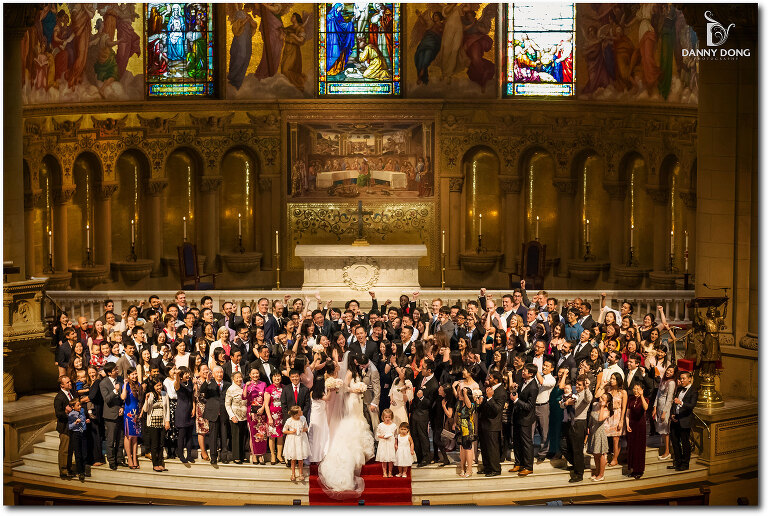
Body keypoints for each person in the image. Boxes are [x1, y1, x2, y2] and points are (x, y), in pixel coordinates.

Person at [318, 353, 375, 498]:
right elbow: (344, 388)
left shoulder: (356, 371)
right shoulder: (349, 373)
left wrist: (360, 389)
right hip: (351, 400)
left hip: (358, 400)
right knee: (352, 422)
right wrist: (356, 389)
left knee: (360, 421)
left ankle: (363, 450)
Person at [510, 364, 539, 476]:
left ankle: (528, 466)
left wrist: (517, 400)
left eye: (525, 371)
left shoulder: (533, 387)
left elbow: (530, 406)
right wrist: (514, 391)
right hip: (518, 416)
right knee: (517, 441)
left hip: (526, 418)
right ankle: (519, 463)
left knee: (526, 442)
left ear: (531, 374)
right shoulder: (523, 382)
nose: (523, 372)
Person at [564, 374, 593, 482]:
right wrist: (566, 403)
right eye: (576, 384)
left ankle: (579, 474)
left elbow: (589, 398)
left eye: (579, 385)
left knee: (577, 450)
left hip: (580, 423)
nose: (577, 386)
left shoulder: (586, 393)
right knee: (566, 446)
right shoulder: (574, 393)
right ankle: (577, 465)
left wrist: (586, 387)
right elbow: (562, 404)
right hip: (570, 422)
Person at [668, 370, 698, 472]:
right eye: (680, 378)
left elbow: (691, 405)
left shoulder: (693, 390)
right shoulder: (679, 389)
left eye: (683, 378)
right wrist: (672, 413)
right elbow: (673, 403)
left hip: (684, 420)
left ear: (689, 379)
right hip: (675, 418)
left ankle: (685, 463)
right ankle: (678, 462)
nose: (681, 380)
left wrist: (681, 402)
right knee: (675, 442)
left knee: (685, 442)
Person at [478, 370, 506, 477]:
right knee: (485, 447)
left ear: (496, 380)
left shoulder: (501, 391)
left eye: (490, 378)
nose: (488, 379)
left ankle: (495, 469)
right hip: (484, 422)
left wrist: (489, 398)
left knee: (492, 448)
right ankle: (487, 467)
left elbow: (497, 409)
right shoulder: (490, 389)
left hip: (493, 424)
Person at [411, 359, 438, 467]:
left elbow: (430, 404)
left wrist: (421, 397)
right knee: (415, 435)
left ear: (429, 370)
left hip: (424, 413)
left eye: (424, 368)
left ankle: (426, 458)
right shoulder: (421, 377)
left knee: (422, 435)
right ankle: (419, 457)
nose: (421, 369)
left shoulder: (434, 384)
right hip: (415, 410)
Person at [203, 365, 231, 465]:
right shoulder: (209, 383)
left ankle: (224, 456)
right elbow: (202, 391)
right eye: (217, 372)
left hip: (224, 413)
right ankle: (213, 457)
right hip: (213, 413)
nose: (219, 374)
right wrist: (207, 381)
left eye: (221, 372)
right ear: (213, 374)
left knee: (224, 436)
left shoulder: (228, 384)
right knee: (213, 436)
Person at [141, 378, 169, 472]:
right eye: (157, 386)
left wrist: (167, 421)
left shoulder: (165, 394)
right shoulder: (150, 395)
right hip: (152, 422)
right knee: (154, 444)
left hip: (162, 421)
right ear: (153, 387)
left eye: (160, 385)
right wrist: (146, 399)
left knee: (161, 444)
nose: (159, 387)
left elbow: (167, 409)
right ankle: (155, 464)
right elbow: (145, 410)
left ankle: (161, 463)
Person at [243, 368, 268, 464]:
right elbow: (244, 397)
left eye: (257, 373)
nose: (255, 375)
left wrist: (263, 408)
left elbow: (266, 398)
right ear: (250, 375)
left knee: (262, 433)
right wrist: (246, 386)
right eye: (253, 373)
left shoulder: (263, 384)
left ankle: (261, 455)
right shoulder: (247, 385)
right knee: (252, 434)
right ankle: (253, 454)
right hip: (251, 412)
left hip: (261, 411)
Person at [625, 383, 649, 479]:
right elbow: (627, 413)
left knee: (639, 448)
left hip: (640, 425)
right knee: (631, 447)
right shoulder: (630, 399)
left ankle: (639, 470)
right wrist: (627, 425)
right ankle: (633, 469)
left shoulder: (645, 399)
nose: (635, 390)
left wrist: (642, 395)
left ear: (641, 390)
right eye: (634, 389)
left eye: (637, 389)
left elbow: (645, 407)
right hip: (632, 425)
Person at [120, 367, 142, 469]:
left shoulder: (139, 385)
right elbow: (123, 397)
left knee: (135, 437)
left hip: (136, 414)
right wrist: (124, 385)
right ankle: (129, 458)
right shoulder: (127, 385)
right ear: (128, 375)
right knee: (128, 436)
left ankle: (134, 458)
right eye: (132, 374)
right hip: (128, 414)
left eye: (135, 374)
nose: (134, 376)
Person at [653, 365, 676, 460]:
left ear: (674, 373)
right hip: (659, 406)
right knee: (661, 430)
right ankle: (664, 449)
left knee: (665, 430)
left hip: (665, 408)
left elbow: (670, 399)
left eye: (671, 371)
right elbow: (658, 394)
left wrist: (665, 412)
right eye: (668, 370)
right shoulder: (663, 379)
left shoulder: (671, 383)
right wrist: (654, 407)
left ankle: (667, 451)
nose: (668, 372)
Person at [587, 392, 612, 482]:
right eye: (601, 398)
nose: (601, 400)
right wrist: (588, 427)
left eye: (603, 399)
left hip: (600, 434)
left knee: (600, 455)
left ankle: (601, 474)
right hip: (593, 432)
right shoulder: (594, 404)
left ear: (607, 402)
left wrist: (602, 407)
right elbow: (591, 417)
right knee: (595, 454)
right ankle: (597, 472)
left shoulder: (607, 411)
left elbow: (600, 419)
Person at [54, 376, 75, 479]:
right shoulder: (59, 397)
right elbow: (58, 414)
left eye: (70, 381)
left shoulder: (72, 393)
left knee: (70, 449)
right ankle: (63, 471)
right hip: (64, 427)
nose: (70, 383)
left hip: (73, 426)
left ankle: (69, 468)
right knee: (64, 450)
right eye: (67, 383)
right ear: (62, 385)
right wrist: (66, 412)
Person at [226, 371, 249, 464]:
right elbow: (227, 404)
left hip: (245, 416)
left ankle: (242, 456)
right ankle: (236, 457)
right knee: (236, 437)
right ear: (233, 379)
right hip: (235, 416)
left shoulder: (244, 387)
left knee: (243, 437)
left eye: (240, 377)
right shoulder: (231, 389)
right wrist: (232, 416)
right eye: (237, 378)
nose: (239, 379)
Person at [283, 405, 310, 482]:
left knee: (300, 458)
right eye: (300, 411)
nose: (302, 412)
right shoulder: (289, 420)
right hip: (292, 440)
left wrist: (302, 429)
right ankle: (293, 473)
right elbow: (284, 430)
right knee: (293, 458)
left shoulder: (303, 419)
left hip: (301, 440)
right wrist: (292, 431)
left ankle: (301, 473)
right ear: (295, 414)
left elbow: (306, 428)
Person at [173, 367, 195, 463]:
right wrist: (177, 375)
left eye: (188, 373)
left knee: (190, 435)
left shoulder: (189, 382)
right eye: (185, 373)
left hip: (190, 410)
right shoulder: (178, 384)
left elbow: (192, 396)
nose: (187, 375)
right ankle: (181, 455)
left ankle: (189, 455)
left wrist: (193, 408)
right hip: (181, 411)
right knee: (182, 435)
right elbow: (177, 383)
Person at [308, 373, 331, 463]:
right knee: (321, 433)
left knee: (315, 434)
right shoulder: (320, 393)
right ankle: (319, 454)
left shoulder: (312, 392)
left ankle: (314, 454)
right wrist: (329, 389)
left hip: (315, 415)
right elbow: (328, 398)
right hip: (320, 415)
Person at [264, 370, 285, 464]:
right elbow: (266, 405)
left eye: (278, 376)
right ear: (272, 378)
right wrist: (269, 417)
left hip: (282, 415)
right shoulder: (268, 389)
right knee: (272, 436)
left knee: (280, 435)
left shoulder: (284, 387)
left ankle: (279, 455)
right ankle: (273, 454)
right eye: (275, 376)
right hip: (272, 415)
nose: (277, 378)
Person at [456, 385, 477, 477]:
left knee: (468, 449)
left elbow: (469, 407)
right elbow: (457, 414)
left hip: (468, 428)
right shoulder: (459, 403)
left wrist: (465, 393)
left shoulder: (471, 404)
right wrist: (454, 423)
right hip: (460, 428)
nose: (459, 395)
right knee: (462, 449)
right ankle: (463, 468)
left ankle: (469, 469)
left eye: (461, 394)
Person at [67, 398, 88, 482]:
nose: (80, 406)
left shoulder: (81, 412)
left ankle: (84, 469)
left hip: (83, 433)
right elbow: (69, 426)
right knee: (78, 453)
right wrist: (75, 423)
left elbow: (83, 422)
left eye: (80, 405)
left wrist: (86, 421)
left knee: (84, 453)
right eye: (78, 405)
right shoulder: (71, 415)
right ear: (72, 407)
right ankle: (80, 472)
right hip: (76, 434)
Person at [375, 408, 398, 477]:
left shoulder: (394, 425)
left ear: (391, 417)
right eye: (386, 417)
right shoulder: (381, 425)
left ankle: (390, 472)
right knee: (384, 458)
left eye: (389, 417)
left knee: (390, 459)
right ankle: (384, 472)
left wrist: (396, 444)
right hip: (383, 443)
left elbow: (396, 435)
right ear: (383, 417)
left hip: (391, 443)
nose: (387, 418)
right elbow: (377, 434)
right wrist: (382, 436)